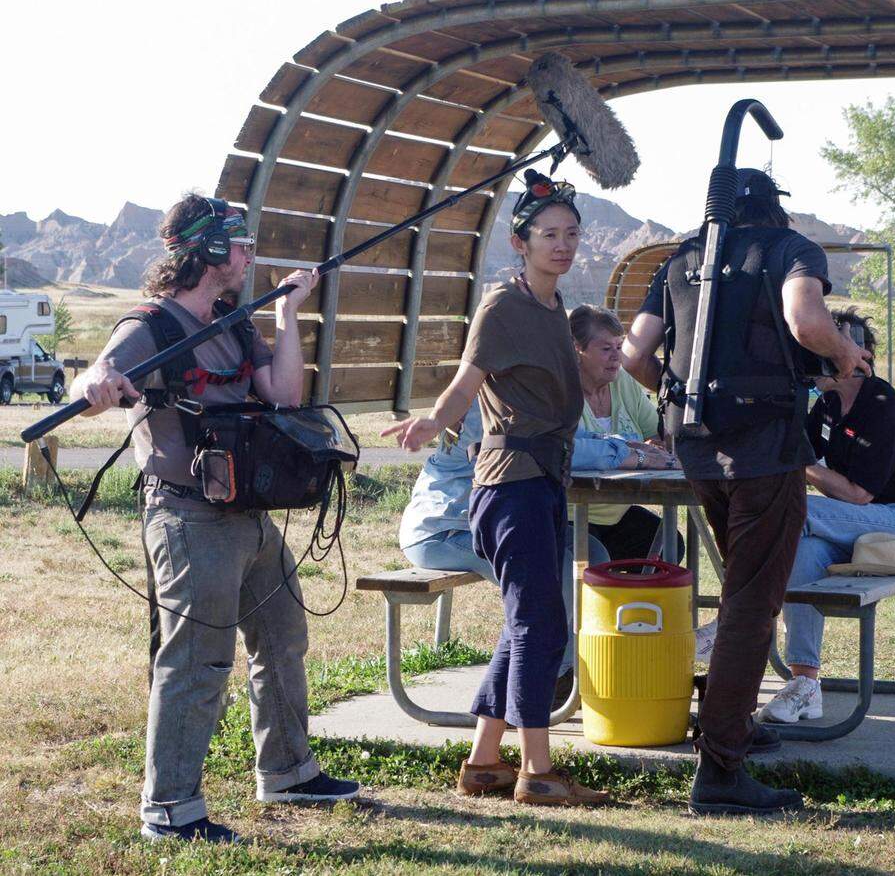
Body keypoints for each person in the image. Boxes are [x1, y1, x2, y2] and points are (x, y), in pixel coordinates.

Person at [70, 194, 358, 844]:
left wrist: (287, 314)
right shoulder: (151, 324)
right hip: (187, 516)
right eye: (238, 241)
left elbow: (284, 395)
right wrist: (94, 386)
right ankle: (169, 807)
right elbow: (101, 369)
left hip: (249, 512)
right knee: (199, 660)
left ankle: (287, 769)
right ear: (203, 250)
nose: (249, 252)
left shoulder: (233, 320)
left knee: (283, 638)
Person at [622, 168, 871, 816]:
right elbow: (806, 318)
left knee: (743, 588)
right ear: (774, 209)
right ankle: (722, 766)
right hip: (765, 448)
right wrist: (845, 355)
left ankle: (733, 722)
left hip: (699, 448)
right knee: (752, 603)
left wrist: (675, 397)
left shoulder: (683, 257)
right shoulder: (791, 251)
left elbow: (634, 351)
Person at [384, 170, 608, 807]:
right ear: (522, 243)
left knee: (523, 625)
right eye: (548, 236)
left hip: (540, 482)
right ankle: (537, 772)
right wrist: (436, 419)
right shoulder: (503, 304)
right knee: (542, 625)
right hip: (509, 486)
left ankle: (484, 762)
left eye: (570, 234)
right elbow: (466, 379)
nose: (562, 245)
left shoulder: (553, 306)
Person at [760, 308, 895, 724]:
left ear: (857, 355)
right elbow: (794, 451)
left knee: (794, 510)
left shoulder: (882, 403)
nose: (812, 357)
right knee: (802, 549)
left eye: (822, 347)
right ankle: (805, 682)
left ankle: (738, 617)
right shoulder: (825, 404)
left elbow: (859, 494)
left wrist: (798, 462)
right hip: (860, 526)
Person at [399, 397, 618, 705]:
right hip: (442, 531)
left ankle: (571, 668)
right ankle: (552, 680)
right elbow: (551, 451)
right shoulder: (491, 401)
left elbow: (571, 439)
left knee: (592, 555)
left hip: (490, 523)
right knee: (552, 576)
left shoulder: (533, 391)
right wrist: (623, 453)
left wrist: (630, 448)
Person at [569, 304, 682, 561]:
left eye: (619, 347)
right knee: (593, 556)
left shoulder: (622, 382)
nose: (616, 357)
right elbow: (573, 451)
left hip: (615, 514)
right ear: (578, 350)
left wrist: (656, 442)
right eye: (606, 349)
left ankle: (636, 603)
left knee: (668, 545)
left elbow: (658, 433)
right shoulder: (563, 392)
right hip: (571, 514)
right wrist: (636, 452)